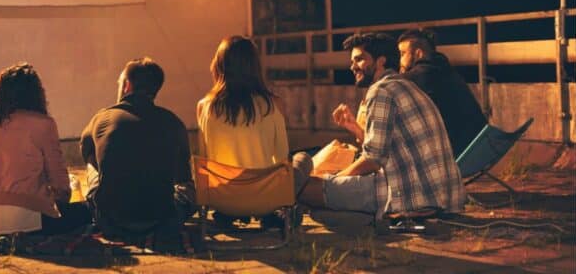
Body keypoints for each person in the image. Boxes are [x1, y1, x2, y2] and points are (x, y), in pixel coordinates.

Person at [299, 33, 465, 218]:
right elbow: (388, 149)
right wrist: (354, 127)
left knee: (307, 189)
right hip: (441, 195)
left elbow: (373, 159)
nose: (352, 66)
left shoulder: (381, 91)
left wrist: (335, 179)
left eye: (359, 59)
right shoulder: (406, 86)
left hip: (409, 195)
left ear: (380, 61)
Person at [197, 36, 313, 226]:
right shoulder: (273, 104)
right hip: (265, 201)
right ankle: (275, 217)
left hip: (221, 200)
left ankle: (231, 214)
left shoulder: (204, 107)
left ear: (219, 65)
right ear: (254, 67)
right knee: (303, 159)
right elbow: (282, 162)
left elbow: (205, 159)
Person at [80, 58, 195, 238]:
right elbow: (183, 177)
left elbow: (85, 150)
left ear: (127, 85)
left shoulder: (102, 118)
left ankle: (102, 199)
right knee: (187, 189)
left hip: (110, 221)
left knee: (91, 157)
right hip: (162, 220)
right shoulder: (173, 122)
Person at [0, 63, 90, 235]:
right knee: (87, 211)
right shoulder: (44, 124)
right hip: (30, 221)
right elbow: (60, 184)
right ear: (36, 93)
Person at [397, 29, 489, 158]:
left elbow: (394, 89)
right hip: (481, 146)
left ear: (418, 53)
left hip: (456, 152)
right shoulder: (446, 70)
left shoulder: (420, 75)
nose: (400, 59)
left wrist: (402, 74)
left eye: (402, 54)